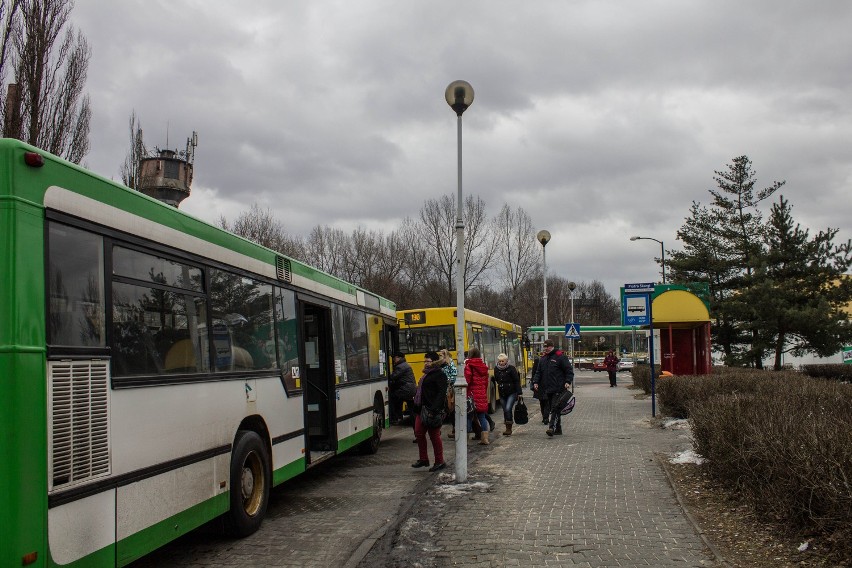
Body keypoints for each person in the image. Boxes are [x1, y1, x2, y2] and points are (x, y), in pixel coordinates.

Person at [411, 351, 449, 472]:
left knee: (434, 436)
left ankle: (439, 461)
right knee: (419, 433)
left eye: (428, 361)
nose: (426, 363)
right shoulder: (426, 374)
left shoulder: (439, 374)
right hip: (421, 409)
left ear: (434, 362)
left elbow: (441, 393)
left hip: (432, 410)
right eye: (425, 361)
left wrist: (435, 409)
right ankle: (423, 459)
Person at [532, 339, 574, 437]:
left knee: (555, 408)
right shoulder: (543, 359)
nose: (546, 349)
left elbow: (569, 370)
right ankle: (558, 429)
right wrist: (535, 382)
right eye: (545, 347)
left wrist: (568, 381)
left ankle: (551, 428)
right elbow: (538, 372)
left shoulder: (560, 357)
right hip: (547, 388)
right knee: (554, 408)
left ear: (552, 346)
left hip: (559, 387)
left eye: (548, 347)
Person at [464, 347, 491, 445]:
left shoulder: (469, 365)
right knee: (482, 417)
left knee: (468, 417)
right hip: (482, 394)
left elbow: (467, 381)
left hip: (471, 395)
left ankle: (465, 440)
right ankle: (485, 439)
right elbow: (486, 382)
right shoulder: (483, 366)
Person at [492, 353, 522, 436]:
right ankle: (507, 426)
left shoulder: (511, 369)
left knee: (508, 408)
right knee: (505, 410)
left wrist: (519, 393)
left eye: (503, 361)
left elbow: (516, 381)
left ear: (506, 361)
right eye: (500, 361)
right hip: (502, 393)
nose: (501, 363)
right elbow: (497, 379)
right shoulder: (496, 369)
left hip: (511, 392)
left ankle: (509, 428)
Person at [389, 352, 416, 424]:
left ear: (399, 358)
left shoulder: (400, 366)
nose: (394, 360)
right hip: (410, 389)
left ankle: (395, 418)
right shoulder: (405, 365)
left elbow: (393, 377)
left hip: (406, 390)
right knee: (409, 404)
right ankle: (410, 418)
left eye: (394, 358)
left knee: (392, 397)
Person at [530, 351, 548, 423]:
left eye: (544, 353)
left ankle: (546, 418)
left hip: (548, 384)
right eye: (541, 354)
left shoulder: (549, 361)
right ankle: (544, 416)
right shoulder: (537, 361)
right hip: (539, 385)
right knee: (542, 401)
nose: (542, 355)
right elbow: (534, 372)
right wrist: (534, 382)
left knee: (547, 401)